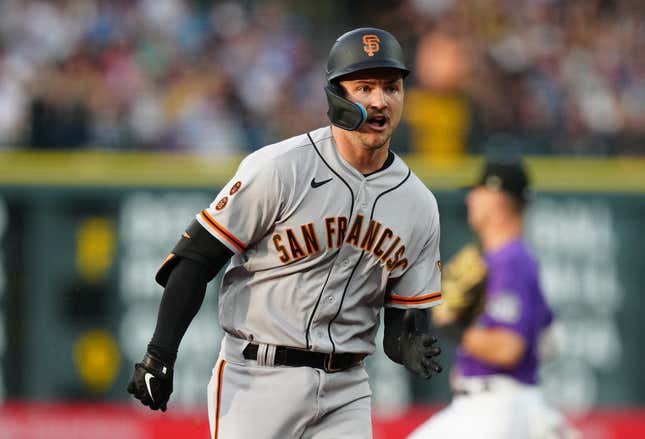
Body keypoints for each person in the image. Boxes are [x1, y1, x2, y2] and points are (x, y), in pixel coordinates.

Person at [127, 27, 444, 439]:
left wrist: (407, 345)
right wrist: (159, 354)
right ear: (336, 97)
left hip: (347, 389)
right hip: (257, 378)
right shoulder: (281, 168)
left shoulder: (418, 203)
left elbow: (399, 326)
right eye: (364, 86)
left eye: (392, 87)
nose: (380, 100)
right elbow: (196, 258)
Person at [408, 158, 576, 439]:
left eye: (478, 191)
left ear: (497, 198)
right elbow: (553, 342)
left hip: (495, 407)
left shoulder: (509, 260)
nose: (470, 199)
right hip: (495, 404)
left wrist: (455, 328)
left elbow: (508, 349)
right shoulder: (506, 260)